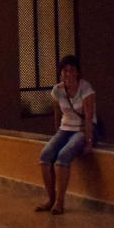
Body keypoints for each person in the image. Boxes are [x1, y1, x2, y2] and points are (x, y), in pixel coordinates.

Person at [35, 55, 96, 215]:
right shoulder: (57, 90)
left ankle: (60, 202)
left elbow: (89, 117)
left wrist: (89, 141)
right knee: (45, 156)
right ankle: (51, 198)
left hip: (81, 130)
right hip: (65, 128)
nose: (68, 74)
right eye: (65, 71)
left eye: (71, 70)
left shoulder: (85, 89)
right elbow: (58, 113)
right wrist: (56, 134)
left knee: (63, 157)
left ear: (77, 73)